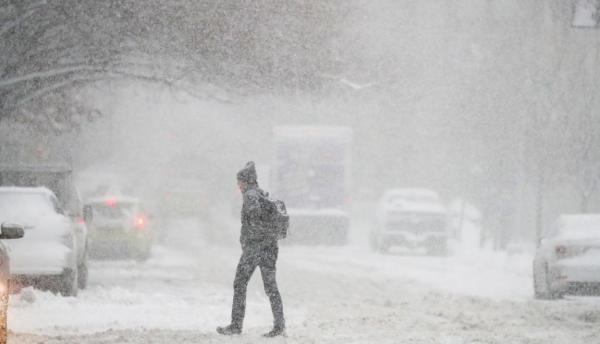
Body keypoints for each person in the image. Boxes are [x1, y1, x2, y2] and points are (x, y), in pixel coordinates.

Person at [217, 161, 285, 337]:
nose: (238, 185)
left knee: (240, 283)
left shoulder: (250, 196)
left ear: (246, 181)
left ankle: (236, 325)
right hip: (270, 246)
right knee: (271, 287)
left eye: (239, 182)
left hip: (255, 248)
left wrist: (249, 240)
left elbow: (254, 219)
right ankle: (279, 325)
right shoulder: (262, 194)